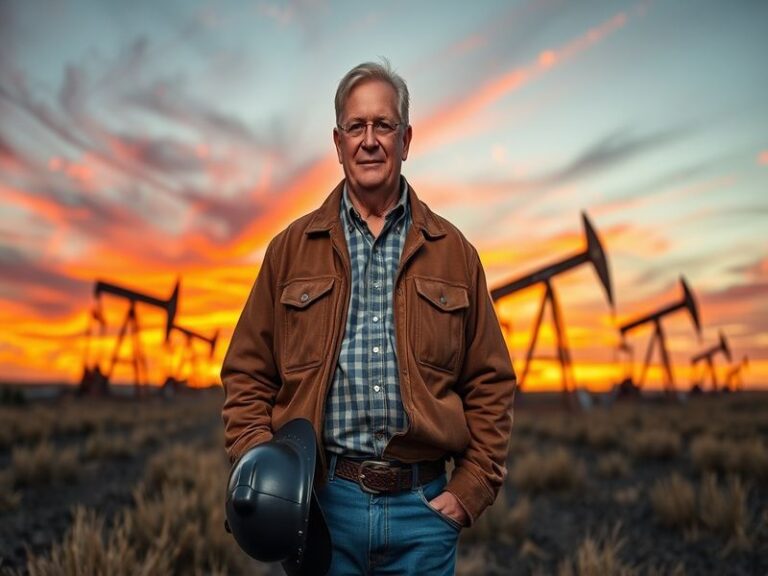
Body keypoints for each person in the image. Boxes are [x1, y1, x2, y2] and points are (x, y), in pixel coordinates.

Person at [221, 60, 516, 575]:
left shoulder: (455, 253)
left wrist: (469, 491)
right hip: (320, 511)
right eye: (356, 127)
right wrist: (263, 469)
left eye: (383, 125)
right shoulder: (289, 251)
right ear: (337, 143)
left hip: (423, 513)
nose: (370, 140)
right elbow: (246, 372)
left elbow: (491, 381)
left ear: (406, 138)